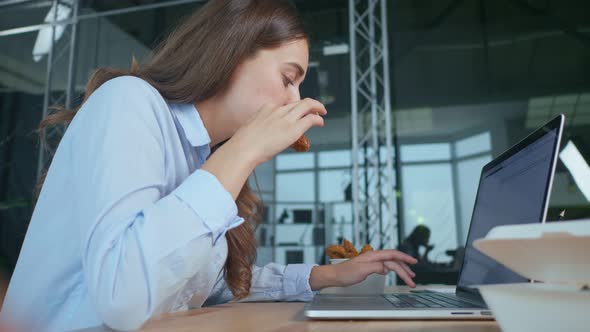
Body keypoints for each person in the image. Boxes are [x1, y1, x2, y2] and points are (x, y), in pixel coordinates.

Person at [1, 1, 417, 331]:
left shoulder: (205, 157)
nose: (295, 100)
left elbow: (203, 287)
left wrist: (323, 277)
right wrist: (244, 150)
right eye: (288, 79)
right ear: (233, 54)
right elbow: (123, 299)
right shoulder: (128, 101)